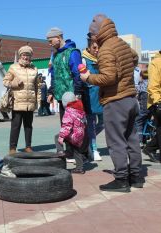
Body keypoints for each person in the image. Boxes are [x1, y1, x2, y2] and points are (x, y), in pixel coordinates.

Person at [80, 14, 142, 192]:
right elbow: (135, 58)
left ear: (97, 33)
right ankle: (136, 176)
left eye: (92, 34)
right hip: (131, 99)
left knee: (116, 142)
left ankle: (121, 179)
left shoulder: (106, 49)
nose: (92, 38)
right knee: (132, 139)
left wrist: (88, 77)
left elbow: (109, 77)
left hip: (116, 101)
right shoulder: (122, 44)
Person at [46, 27, 85, 161]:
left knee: (75, 128)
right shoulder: (55, 55)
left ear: (59, 37)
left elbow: (77, 73)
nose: (49, 43)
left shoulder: (72, 53)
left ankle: (80, 156)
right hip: (60, 97)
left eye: (51, 40)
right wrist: (51, 91)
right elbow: (54, 75)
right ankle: (69, 152)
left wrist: (78, 93)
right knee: (65, 125)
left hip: (72, 97)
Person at [3, 45, 38, 155]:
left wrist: (38, 100)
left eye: (28, 55)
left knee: (28, 126)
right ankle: (12, 148)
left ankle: (28, 146)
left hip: (30, 102)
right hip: (17, 102)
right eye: (24, 55)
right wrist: (14, 83)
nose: (26, 57)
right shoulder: (13, 67)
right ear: (20, 56)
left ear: (30, 57)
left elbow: (36, 86)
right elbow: (5, 81)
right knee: (15, 126)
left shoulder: (34, 69)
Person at [81, 36, 104, 161]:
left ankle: (88, 139)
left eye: (98, 47)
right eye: (94, 47)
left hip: (102, 96)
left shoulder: (103, 59)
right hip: (89, 96)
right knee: (92, 124)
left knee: (104, 122)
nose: (97, 50)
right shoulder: (84, 60)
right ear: (89, 48)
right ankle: (94, 149)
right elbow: (81, 78)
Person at [55, 92, 87, 174]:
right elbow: (84, 122)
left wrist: (61, 137)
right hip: (80, 135)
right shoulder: (80, 110)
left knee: (57, 137)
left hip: (73, 135)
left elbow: (66, 126)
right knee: (77, 150)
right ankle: (80, 168)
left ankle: (60, 151)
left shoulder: (68, 111)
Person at [142, 51, 161, 162]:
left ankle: (149, 148)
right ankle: (149, 149)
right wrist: (158, 102)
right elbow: (153, 85)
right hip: (157, 101)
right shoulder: (156, 63)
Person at [135, 68, 150, 147]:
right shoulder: (150, 83)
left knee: (138, 121)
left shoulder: (142, 84)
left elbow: (136, 93)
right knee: (146, 121)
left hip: (143, 108)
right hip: (150, 108)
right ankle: (145, 139)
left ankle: (139, 141)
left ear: (141, 76)